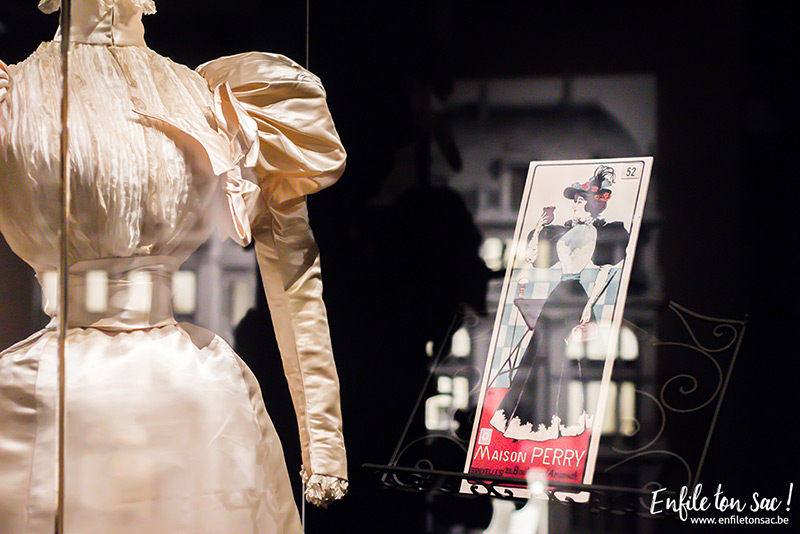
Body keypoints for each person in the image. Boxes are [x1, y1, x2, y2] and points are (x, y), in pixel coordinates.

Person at [0, 1, 346, 532]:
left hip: (190, 404)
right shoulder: (15, 94)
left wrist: (322, 441)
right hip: (56, 395)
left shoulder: (212, 96)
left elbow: (291, 262)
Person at [489, 165, 629, 441]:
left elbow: (606, 271)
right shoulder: (563, 230)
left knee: (556, 355)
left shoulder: (597, 233)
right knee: (537, 352)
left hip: (574, 293)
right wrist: (542, 224)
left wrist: (590, 308)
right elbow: (532, 257)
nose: (576, 205)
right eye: (575, 200)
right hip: (559, 292)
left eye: (580, 201)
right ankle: (526, 417)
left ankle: (550, 420)